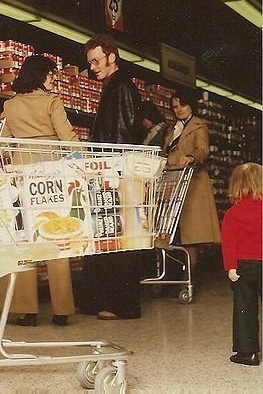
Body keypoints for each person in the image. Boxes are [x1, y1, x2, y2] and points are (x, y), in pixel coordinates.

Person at [0, 55, 77, 327]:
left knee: (25, 238)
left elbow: (4, 143)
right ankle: (61, 310)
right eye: (51, 74)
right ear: (42, 75)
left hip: (21, 171)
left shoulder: (10, 105)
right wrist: (88, 161)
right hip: (51, 170)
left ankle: (27, 310)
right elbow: (68, 139)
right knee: (56, 236)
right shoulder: (52, 102)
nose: (53, 80)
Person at [79, 34, 144, 320]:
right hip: (111, 170)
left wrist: (108, 169)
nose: (92, 66)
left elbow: (122, 134)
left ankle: (123, 304)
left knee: (118, 238)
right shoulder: (115, 87)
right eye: (90, 62)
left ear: (111, 57)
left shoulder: (121, 88)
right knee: (111, 237)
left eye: (96, 60)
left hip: (115, 172)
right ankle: (108, 300)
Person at [163, 90, 221, 275]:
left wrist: (191, 157)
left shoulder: (199, 125)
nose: (178, 109)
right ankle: (172, 278)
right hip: (172, 183)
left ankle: (187, 280)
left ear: (191, 106)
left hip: (192, 184)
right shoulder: (173, 129)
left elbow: (203, 149)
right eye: (175, 107)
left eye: (182, 105)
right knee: (172, 234)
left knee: (191, 237)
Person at [221, 162, 262, 366]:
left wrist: (231, 267)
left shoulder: (233, 213)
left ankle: (248, 352)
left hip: (244, 267)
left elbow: (229, 243)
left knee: (244, 308)